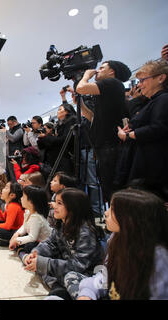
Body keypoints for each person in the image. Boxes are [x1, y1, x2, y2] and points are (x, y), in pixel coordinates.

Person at [65, 189, 168, 300]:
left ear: (130, 219)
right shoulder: (116, 238)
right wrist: (86, 294)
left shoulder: (158, 256)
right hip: (111, 292)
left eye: (113, 209)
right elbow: (104, 276)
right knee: (70, 280)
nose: (106, 212)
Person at [23, 188, 105, 300]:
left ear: (73, 207)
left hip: (87, 274)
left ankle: (62, 291)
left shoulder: (85, 232)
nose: (54, 206)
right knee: (40, 262)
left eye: (59, 203)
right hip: (68, 264)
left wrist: (45, 263)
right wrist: (36, 253)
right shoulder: (62, 225)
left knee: (66, 276)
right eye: (55, 202)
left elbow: (79, 266)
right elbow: (49, 243)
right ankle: (59, 289)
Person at [76, 60, 131, 203]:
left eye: (102, 68)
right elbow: (93, 117)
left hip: (109, 146)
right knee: (108, 188)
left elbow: (81, 88)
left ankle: (117, 221)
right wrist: (80, 104)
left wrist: (86, 76)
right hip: (104, 146)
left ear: (112, 72)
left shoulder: (112, 83)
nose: (97, 70)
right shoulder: (109, 89)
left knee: (113, 190)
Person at [117, 59, 168, 201]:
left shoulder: (163, 99)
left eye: (143, 80)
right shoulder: (153, 101)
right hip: (145, 162)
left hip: (153, 167)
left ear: (161, 78)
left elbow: (158, 128)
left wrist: (129, 135)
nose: (139, 85)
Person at [9, 185, 51, 255]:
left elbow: (32, 237)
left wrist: (16, 240)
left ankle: (20, 251)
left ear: (31, 202)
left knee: (30, 246)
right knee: (18, 236)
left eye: (23, 197)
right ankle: (17, 247)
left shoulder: (36, 218)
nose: (21, 198)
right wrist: (17, 234)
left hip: (43, 243)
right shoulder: (28, 212)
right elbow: (24, 226)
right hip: (35, 240)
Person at [0, 182, 24, 247]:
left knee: (0, 231)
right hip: (12, 229)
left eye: (6, 188)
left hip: (17, 232)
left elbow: (8, 225)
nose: (2, 189)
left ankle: (9, 242)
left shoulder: (13, 206)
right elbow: (4, 219)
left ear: (12, 195)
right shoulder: (9, 204)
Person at [1, 116, 24, 182]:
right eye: (8, 125)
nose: (9, 126)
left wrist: (6, 131)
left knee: (14, 175)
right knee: (8, 174)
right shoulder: (10, 130)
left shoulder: (20, 129)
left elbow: (13, 138)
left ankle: (15, 189)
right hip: (8, 155)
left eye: (10, 124)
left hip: (15, 156)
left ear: (15, 122)